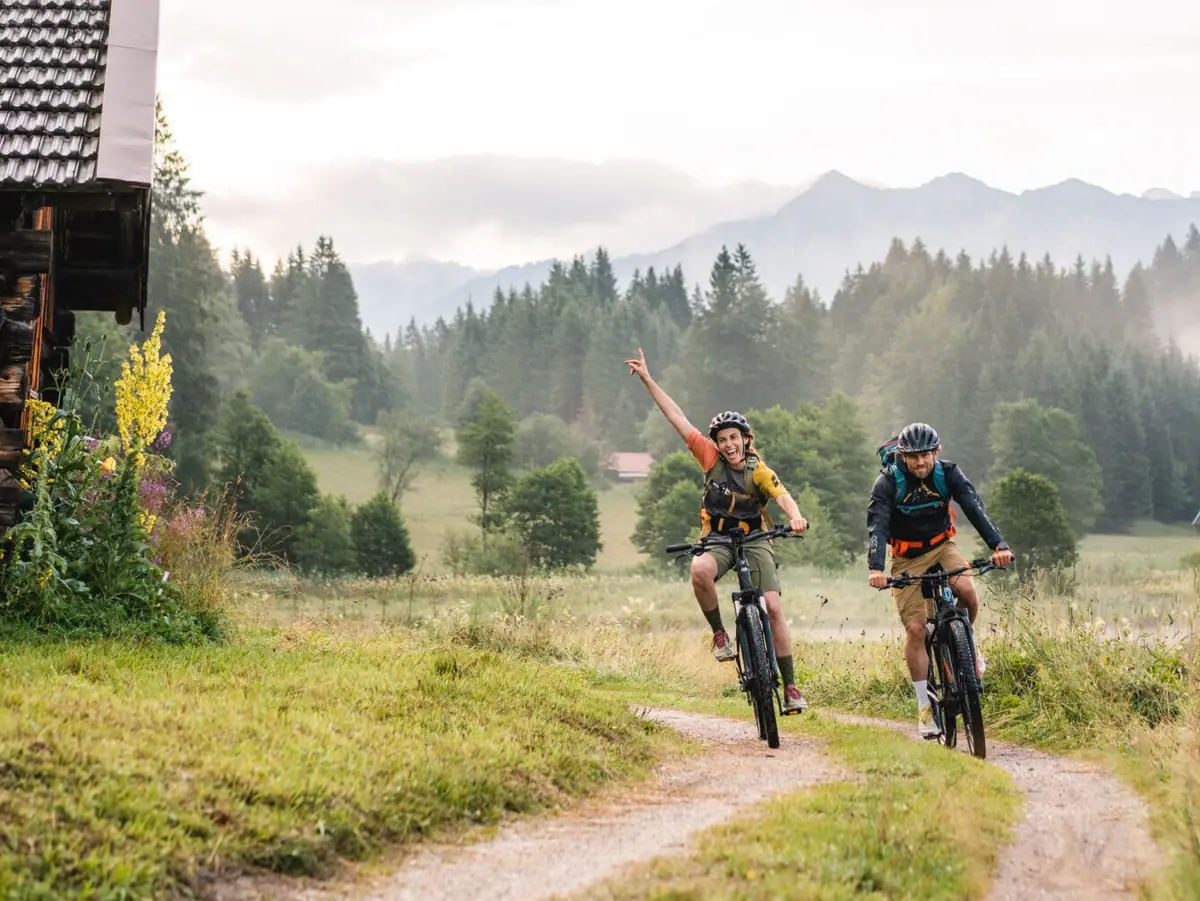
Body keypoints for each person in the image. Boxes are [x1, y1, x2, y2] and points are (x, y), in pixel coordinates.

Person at [626, 348, 811, 713]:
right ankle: (720, 634)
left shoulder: (758, 469)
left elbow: (782, 494)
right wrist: (648, 380)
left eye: (734, 438)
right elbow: (676, 417)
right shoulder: (709, 459)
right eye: (722, 439)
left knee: (772, 606)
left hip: (755, 539)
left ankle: (790, 687)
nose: (728, 445)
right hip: (718, 539)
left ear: (746, 439)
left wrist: (796, 516)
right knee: (698, 570)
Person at [867, 422, 1014, 738]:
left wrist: (999, 545)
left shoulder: (948, 473)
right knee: (917, 629)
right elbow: (877, 526)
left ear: (937, 451)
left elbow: (974, 507)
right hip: (906, 558)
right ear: (903, 456)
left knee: (968, 591)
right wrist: (876, 569)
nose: (921, 463)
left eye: (926, 455)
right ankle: (924, 707)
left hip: (942, 546)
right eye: (914, 457)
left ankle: (968, 647)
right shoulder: (888, 483)